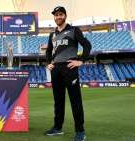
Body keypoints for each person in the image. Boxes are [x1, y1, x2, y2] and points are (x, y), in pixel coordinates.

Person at [45, 6, 92, 141]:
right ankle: (57, 128)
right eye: (56, 15)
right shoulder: (52, 34)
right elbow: (48, 51)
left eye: (60, 14)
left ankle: (80, 131)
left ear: (65, 16)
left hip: (70, 68)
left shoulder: (74, 30)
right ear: (54, 17)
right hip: (56, 70)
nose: (58, 17)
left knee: (75, 101)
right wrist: (49, 62)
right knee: (58, 101)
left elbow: (87, 46)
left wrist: (81, 61)